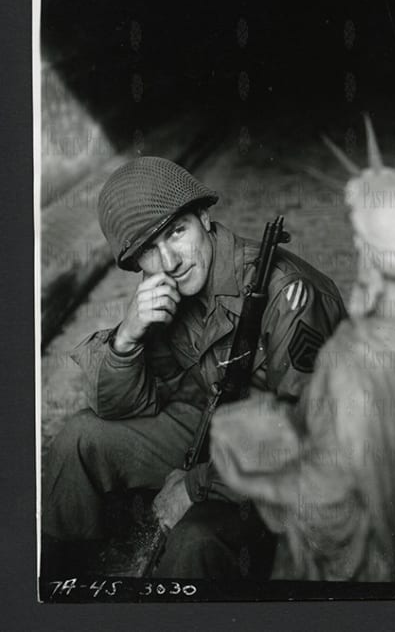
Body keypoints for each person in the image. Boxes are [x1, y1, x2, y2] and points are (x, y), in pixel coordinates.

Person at [210, 0, 395, 581]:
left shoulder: (353, 360)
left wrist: (250, 455)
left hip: (370, 556)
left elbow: (329, 494)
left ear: (365, 251)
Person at [41, 156, 347, 579]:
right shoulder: (174, 289)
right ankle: (57, 590)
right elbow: (125, 407)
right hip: (217, 428)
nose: (168, 261)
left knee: (193, 543)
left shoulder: (288, 295)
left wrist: (193, 485)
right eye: (148, 250)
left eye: (175, 232)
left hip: (293, 470)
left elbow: (307, 436)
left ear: (204, 217)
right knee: (79, 438)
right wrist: (127, 339)